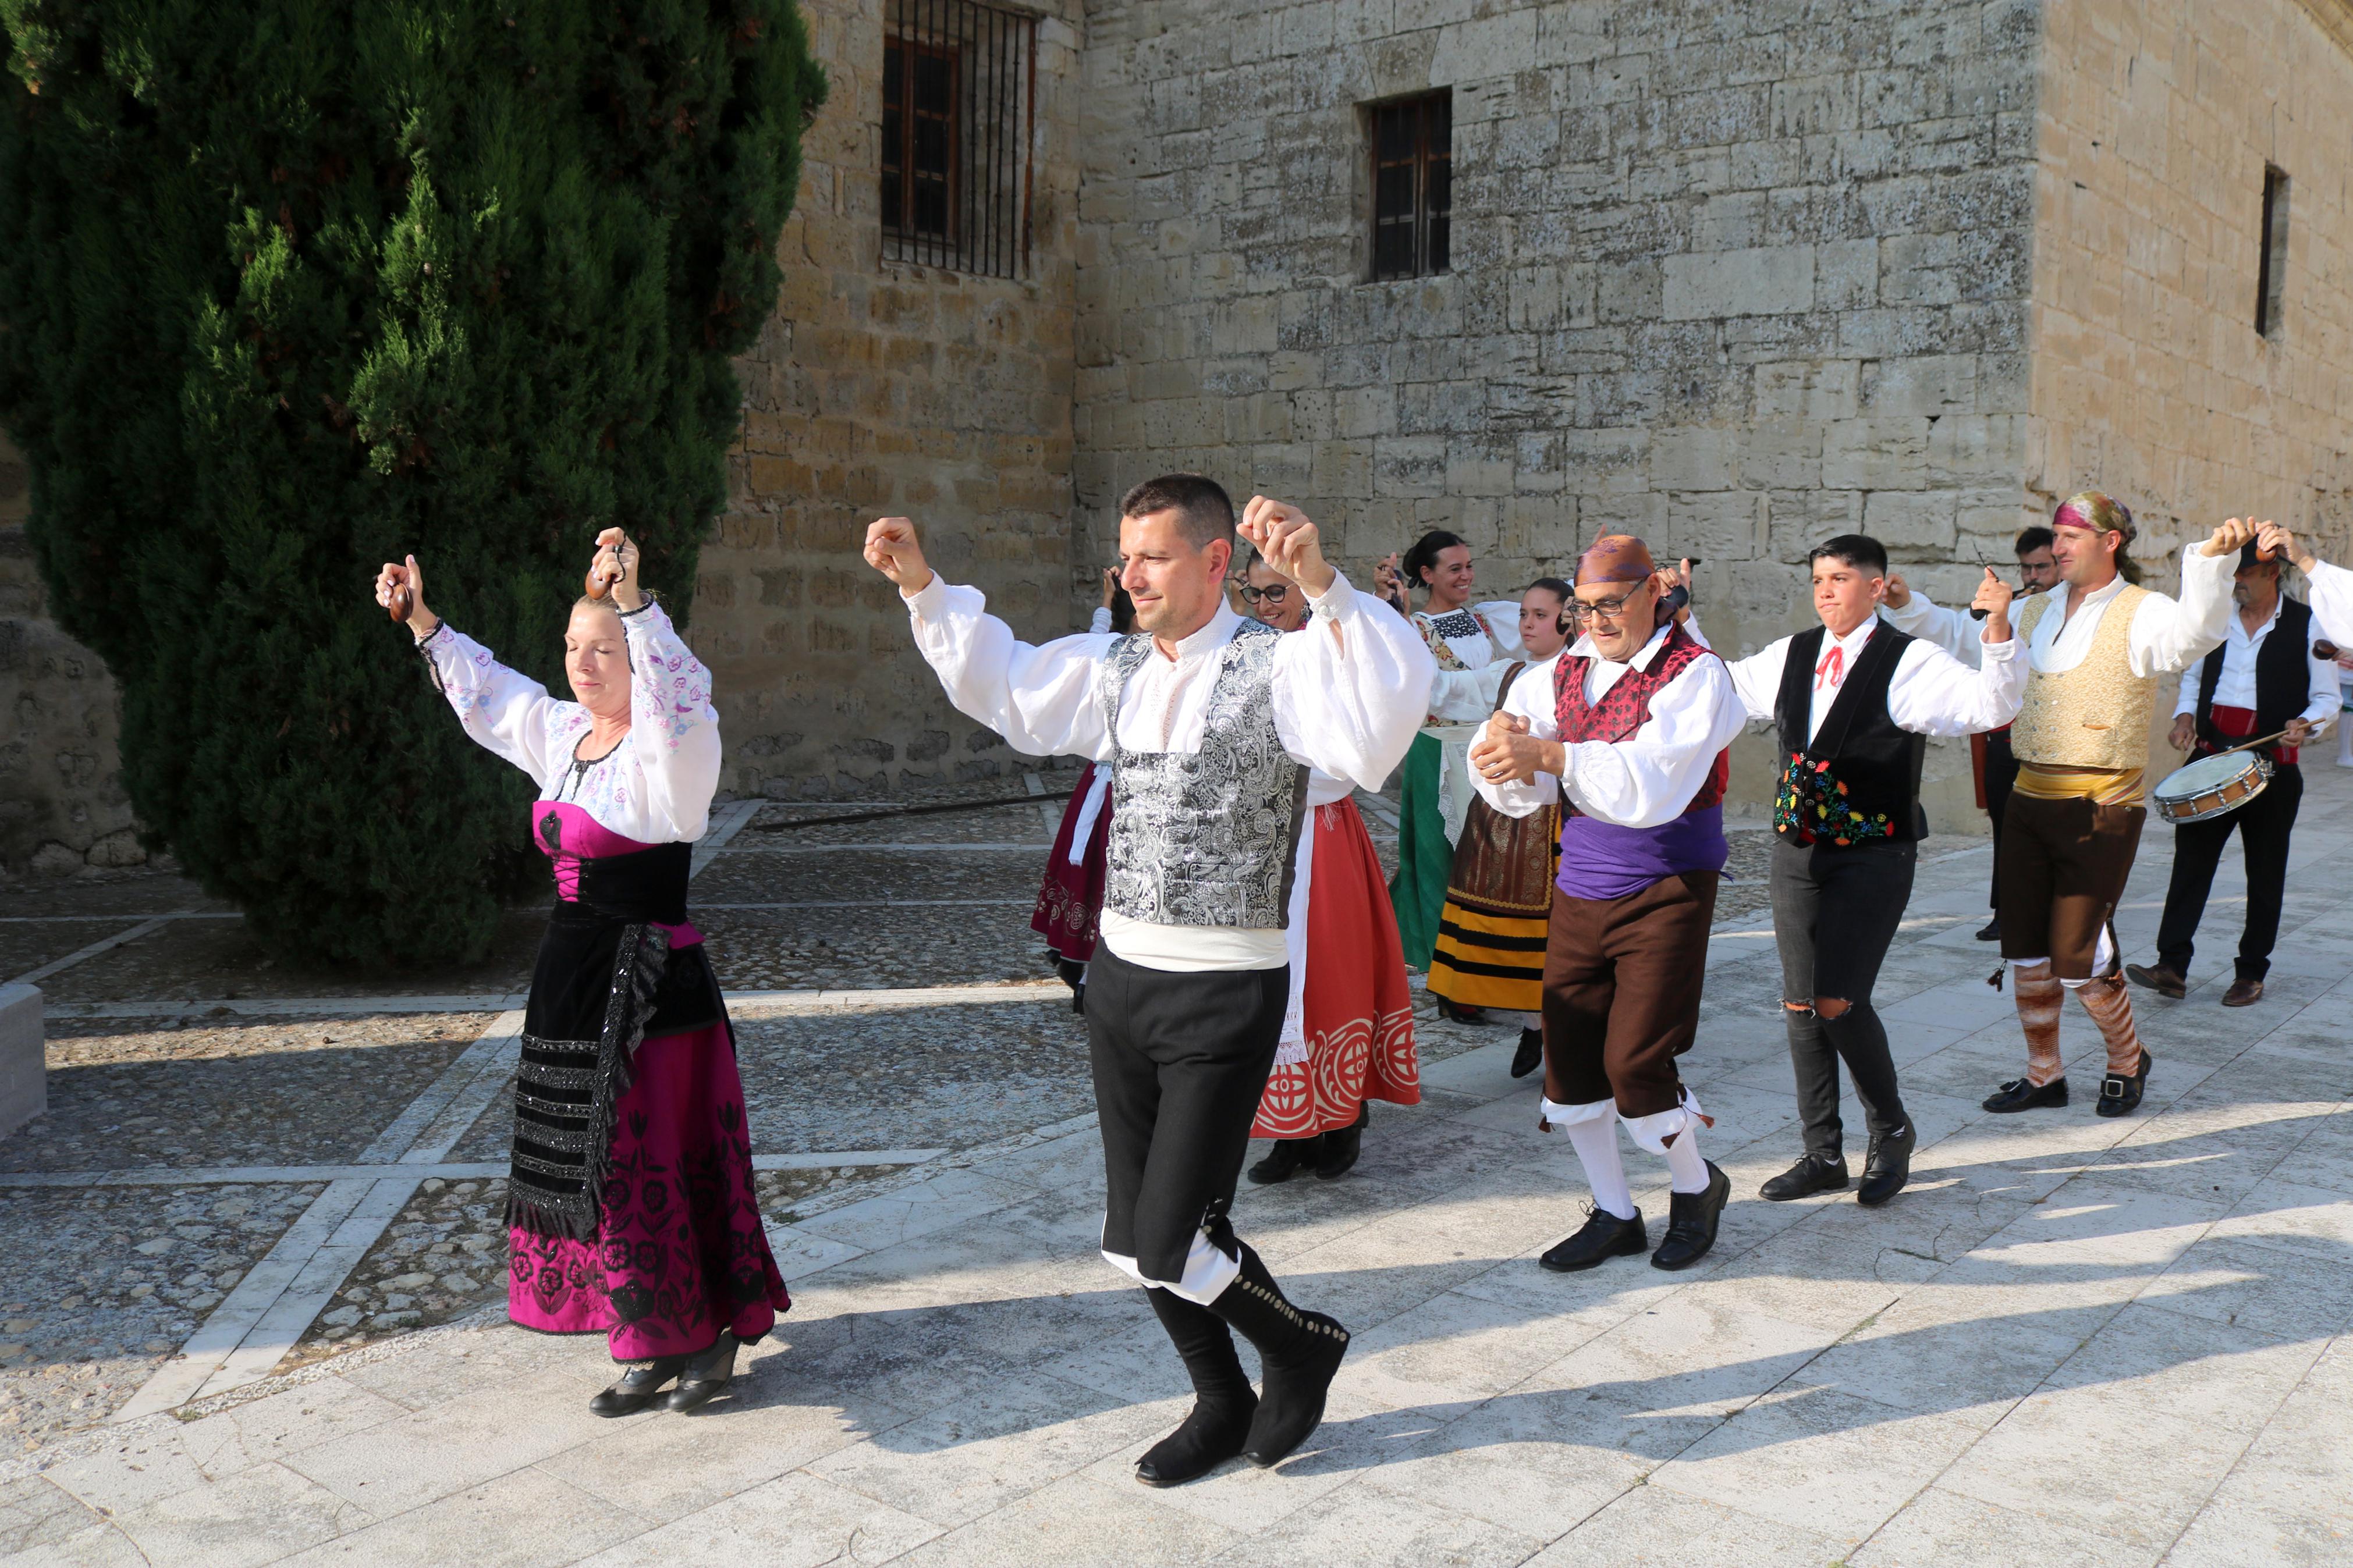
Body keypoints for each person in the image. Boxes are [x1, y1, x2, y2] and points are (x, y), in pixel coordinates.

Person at [865, 478, 1433, 1486]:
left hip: (1225, 990)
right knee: (1130, 1237)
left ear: (1217, 563)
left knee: (1175, 1234)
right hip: (1121, 979)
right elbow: (1005, 683)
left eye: (1154, 557)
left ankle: (1301, 1346)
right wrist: (922, 589)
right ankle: (1222, 1400)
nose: (1130, 575)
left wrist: (1330, 588)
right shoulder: (1112, 667)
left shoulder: (1287, 666)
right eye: (1125, 556)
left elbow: (1378, 721)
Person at [373, 530, 791, 1418]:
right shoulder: (565, 736)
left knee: (659, 1159)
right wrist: (421, 621)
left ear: (638, 659)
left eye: (603, 649)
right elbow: (493, 695)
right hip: (570, 985)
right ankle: (644, 1335)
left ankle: (706, 1332)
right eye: (572, 646)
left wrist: (638, 607)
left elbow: (681, 696)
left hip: (651, 995)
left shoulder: (669, 749)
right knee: (590, 1165)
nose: (583, 663)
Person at [1701, 536, 2025, 1207]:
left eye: (1841, 578)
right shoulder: (1789, 654)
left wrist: (1996, 629)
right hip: (1797, 851)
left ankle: (1891, 1127)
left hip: (1874, 851)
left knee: (1836, 1000)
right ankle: (1821, 1152)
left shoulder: (1908, 660)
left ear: (1877, 587)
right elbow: (1715, 685)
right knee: (1798, 1004)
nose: (1825, 591)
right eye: (1818, 578)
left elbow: (1989, 706)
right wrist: (1673, 625)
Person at [1468, 535, 1746, 1274]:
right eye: (1583, 607)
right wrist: (1500, 748)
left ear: (1651, 593)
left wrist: (1551, 756)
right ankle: (1614, 1211)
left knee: (1635, 1061)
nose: (1594, 620)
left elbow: (1652, 786)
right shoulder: (1554, 675)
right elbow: (1516, 790)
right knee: (1570, 1060)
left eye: (1610, 604)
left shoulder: (1695, 675)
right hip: (1579, 886)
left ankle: (1695, 1187)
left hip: (1667, 887)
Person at [1974, 494, 2249, 1121]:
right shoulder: (2035, 606)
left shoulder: (2142, 610)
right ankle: (2043, 1074)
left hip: (2099, 805)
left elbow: (2196, 635)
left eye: (2074, 536)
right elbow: (1969, 642)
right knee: (2022, 945)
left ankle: (2127, 1058)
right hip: (2025, 798)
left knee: (2078, 953)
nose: (2059, 546)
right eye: (2057, 535)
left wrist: (2206, 563)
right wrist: (1908, 606)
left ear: (2110, 542)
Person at [1232, 550, 1422, 1185]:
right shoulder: (1248, 655)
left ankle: (1342, 1118)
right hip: (1260, 841)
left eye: (1277, 592)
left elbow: (1354, 748)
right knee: (1269, 984)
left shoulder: (1335, 650)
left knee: (1330, 975)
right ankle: (1289, 1129)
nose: (1265, 606)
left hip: (1320, 832)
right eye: (1255, 594)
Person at [2123, 543, 2336, 1007]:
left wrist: (2305, 723)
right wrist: (2183, 717)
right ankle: (2171, 965)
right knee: (2189, 866)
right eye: (2231, 573)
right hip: (2211, 754)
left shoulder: (2308, 624)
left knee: (2264, 874)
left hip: (2272, 766)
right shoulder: (2215, 617)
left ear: (2272, 572)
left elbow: (2326, 699)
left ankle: (2250, 971)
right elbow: (2195, 681)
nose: (2235, 582)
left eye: (2245, 574)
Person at [1426, 579, 1576, 1079]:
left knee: (1565, 938)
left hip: (1566, 825)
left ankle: (1558, 1039)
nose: (1528, 624)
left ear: (1566, 620)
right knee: (1510, 931)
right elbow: (1445, 690)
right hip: (1504, 828)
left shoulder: (1587, 678)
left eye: (1539, 615)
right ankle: (1536, 1024)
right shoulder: (1508, 673)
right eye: (1525, 615)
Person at [1884, 526, 2059, 940]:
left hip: (2059, 740)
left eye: (2042, 566)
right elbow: (1956, 632)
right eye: (2026, 567)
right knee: (2006, 825)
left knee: (2054, 830)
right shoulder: (2012, 607)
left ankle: (2057, 914)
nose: (2034, 575)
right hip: (2010, 736)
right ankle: (2006, 911)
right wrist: (1908, 605)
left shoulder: (2080, 609)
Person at [1380, 531, 1527, 994]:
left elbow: (1544, 616)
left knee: (1482, 854)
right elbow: (1419, 682)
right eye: (1454, 569)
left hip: (1482, 745)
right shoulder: (1413, 629)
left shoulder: (1483, 619)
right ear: (1427, 575)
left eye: (1468, 566)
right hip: (1436, 749)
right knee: (1436, 852)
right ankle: (1442, 957)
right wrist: (1498, 677)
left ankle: (1476, 953)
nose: (1466, 576)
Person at [1031, 568, 1134, 1009]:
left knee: (1098, 881)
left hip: (1099, 785)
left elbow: (1093, 639)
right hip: (1125, 791)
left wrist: (1105, 600)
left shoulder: (1106, 651)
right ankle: (1101, 978)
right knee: (1115, 884)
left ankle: (1093, 977)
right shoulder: (1154, 656)